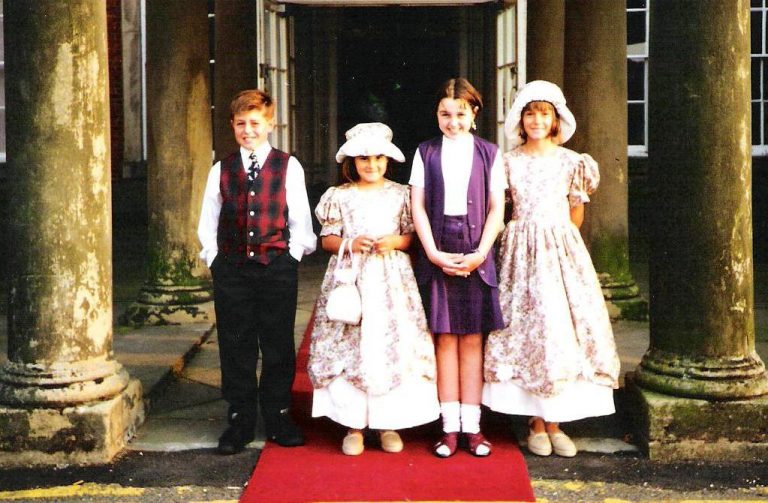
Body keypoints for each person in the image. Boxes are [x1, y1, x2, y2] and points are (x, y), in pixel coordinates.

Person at [482, 80, 620, 458]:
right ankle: (535, 422)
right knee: (529, 330)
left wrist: (557, 246)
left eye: (544, 113)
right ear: (520, 120)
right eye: (530, 113)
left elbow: (575, 214)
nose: (537, 120)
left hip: (560, 250)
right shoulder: (507, 161)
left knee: (561, 329)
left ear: (556, 119)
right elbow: (500, 209)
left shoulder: (572, 162)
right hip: (520, 252)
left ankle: (556, 420)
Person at [197, 89, 317, 455]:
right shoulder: (222, 169)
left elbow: (299, 219)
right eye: (240, 124)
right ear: (233, 126)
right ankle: (240, 418)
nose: (248, 131)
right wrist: (215, 259)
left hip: (276, 267)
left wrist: (292, 256)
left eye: (255, 123)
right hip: (232, 269)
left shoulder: (287, 166)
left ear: (270, 124)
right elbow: (208, 222)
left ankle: (279, 415)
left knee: (278, 342)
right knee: (236, 343)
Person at [308, 122, 439, 456]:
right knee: (352, 346)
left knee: (389, 345)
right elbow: (328, 239)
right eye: (364, 158)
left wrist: (395, 241)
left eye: (378, 158)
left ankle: (387, 423)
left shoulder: (401, 194)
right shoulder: (339, 196)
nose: (371, 165)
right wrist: (350, 243)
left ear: (388, 160)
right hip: (352, 278)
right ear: (352, 162)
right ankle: (353, 425)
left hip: (392, 280)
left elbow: (413, 236)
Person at [410, 78, 507, 458]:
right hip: (438, 252)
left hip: (476, 252)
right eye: (445, 114)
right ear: (436, 115)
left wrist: (482, 251)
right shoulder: (425, 153)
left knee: (472, 341)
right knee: (444, 340)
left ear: (474, 113)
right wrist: (432, 253)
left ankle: (474, 427)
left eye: (460, 114)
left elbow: (497, 207)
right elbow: (418, 205)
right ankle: (449, 427)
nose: (453, 122)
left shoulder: (489, 153)